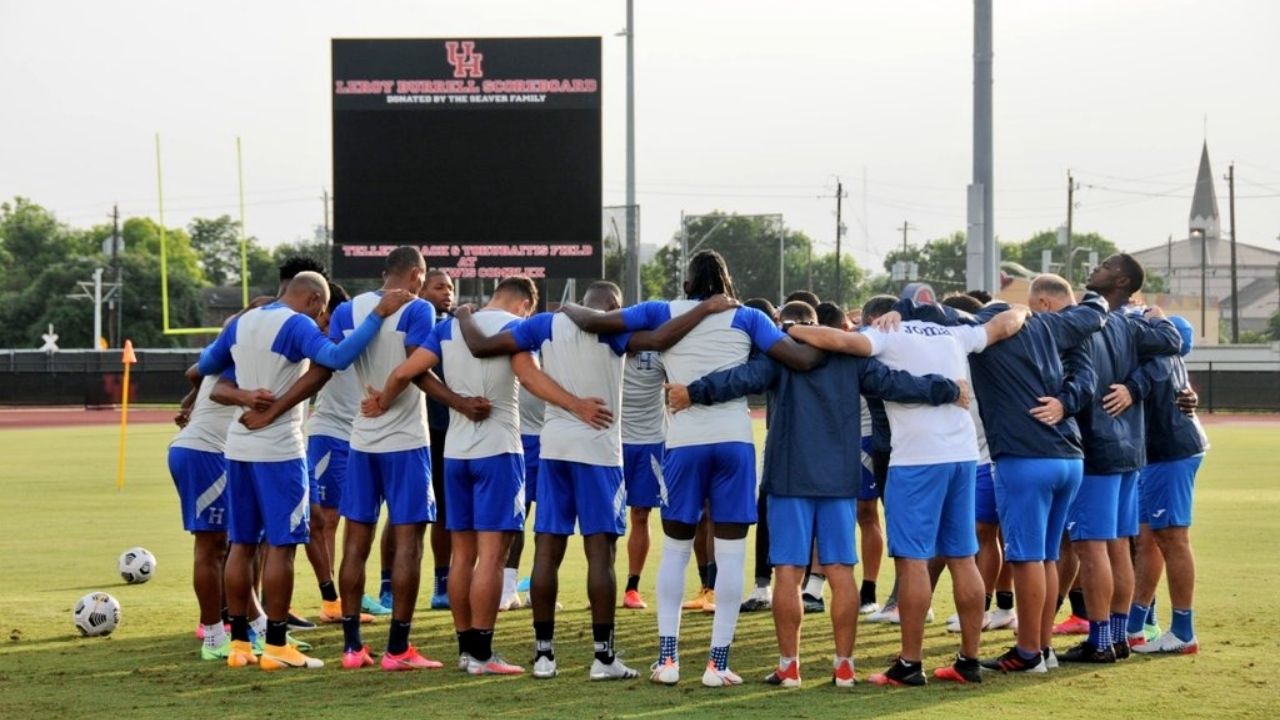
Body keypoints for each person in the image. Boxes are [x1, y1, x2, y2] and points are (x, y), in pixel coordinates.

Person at [560, 250, 825, 688]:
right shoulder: (748, 318)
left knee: (677, 551)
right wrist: (802, 331)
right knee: (732, 555)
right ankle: (717, 665)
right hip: (734, 442)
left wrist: (568, 306)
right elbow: (799, 360)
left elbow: (593, 323)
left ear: (687, 283)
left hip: (683, 445)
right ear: (727, 282)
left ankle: (668, 661)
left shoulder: (663, 310)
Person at [667, 300, 966, 688]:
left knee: (788, 573)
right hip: (839, 479)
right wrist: (946, 388)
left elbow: (740, 379)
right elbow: (898, 383)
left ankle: (789, 667)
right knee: (841, 572)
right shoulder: (851, 358)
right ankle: (844, 667)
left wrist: (693, 392)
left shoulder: (779, 354)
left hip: (789, 477)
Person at [457, 281, 736, 680]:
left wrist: (465, 315)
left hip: (554, 448)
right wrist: (706, 308)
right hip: (599, 452)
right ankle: (603, 658)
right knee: (600, 554)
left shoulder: (545, 324)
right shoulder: (614, 331)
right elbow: (662, 336)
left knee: (547, 550)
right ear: (614, 307)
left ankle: (543, 656)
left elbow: (481, 347)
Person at [364, 276, 609, 676]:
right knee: (493, 556)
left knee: (463, 555)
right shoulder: (515, 328)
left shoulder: (447, 328)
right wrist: (577, 405)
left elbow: (406, 372)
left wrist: (382, 401)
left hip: (457, 454)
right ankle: (482, 652)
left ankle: (466, 651)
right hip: (499, 451)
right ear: (526, 303)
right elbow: (530, 378)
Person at [788, 296, 1029, 686]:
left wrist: (789, 328)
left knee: (913, 560)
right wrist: (1024, 308)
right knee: (963, 557)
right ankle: (968, 661)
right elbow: (1005, 323)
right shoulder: (954, 332)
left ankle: (910, 664)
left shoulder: (889, 331)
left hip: (917, 459)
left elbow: (838, 341)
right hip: (964, 455)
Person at [890, 275, 1109, 673]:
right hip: (1069, 454)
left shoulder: (976, 336)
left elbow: (937, 325)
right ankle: (1043, 650)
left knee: (1025, 558)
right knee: (1045, 556)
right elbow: (1091, 314)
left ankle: (1029, 653)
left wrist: (899, 312)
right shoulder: (1045, 323)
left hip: (1024, 456)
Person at [196, 272, 414, 670]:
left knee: (242, 544)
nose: (320, 318)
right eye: (321, 311)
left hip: (237, 446)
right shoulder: (296, 324)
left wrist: (245, 393)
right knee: (282, 546)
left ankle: (240, 644)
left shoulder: (243, 322)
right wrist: (378, 315)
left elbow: (206, 366)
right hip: (279, 450)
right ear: (314, 300)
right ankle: (277, 644)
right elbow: (335, 358)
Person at [325, 247, 445, 671]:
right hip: (405, 441)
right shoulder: (419, 309)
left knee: (355, 542)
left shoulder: (348, 310)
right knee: (408, 545)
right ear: (416, 275)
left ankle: (352, 647)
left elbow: (337, 359)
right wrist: (459, 402)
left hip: (361, 439)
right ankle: (398, 649)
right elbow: (417, 367)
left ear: (383, 273)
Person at [1063, 254, 1181, 664]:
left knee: (1092, 546)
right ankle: (1114, 637)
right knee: (1115, 544)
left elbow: (1172, 345)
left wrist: (1133, 385)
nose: (1095, 267)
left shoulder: (1085, 320)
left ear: (1122, 280)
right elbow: (1169, 344)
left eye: (1106, 265)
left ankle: (1100, 640)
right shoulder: (1130, 324)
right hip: (1129, 448)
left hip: (1096, 447)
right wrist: (1135, 382)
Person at [304, 283, 384, 625]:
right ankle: (332, 600)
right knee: (328, 520)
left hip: (357, 438)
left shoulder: (359, 338)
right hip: (329, 435)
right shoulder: (325, 343)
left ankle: (350, 591)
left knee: (357, 517)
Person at [1129, 315, 1208, 655]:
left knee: (1172, 538)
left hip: (1170, 452)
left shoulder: (1158, 358)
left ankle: (1183, 631)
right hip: (1159, 453)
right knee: (1149, 538)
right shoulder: (1160, 356)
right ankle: (1133, 626)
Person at [170, 361, 238, 660]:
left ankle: (224, 623)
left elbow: (194, 372)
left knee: (226, 543)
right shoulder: (245, 343)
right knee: (212, 545)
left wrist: (192, 400)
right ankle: (211, 634)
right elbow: (196, 373)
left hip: (212, 451)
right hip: (205, 451)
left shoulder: (236, 348)